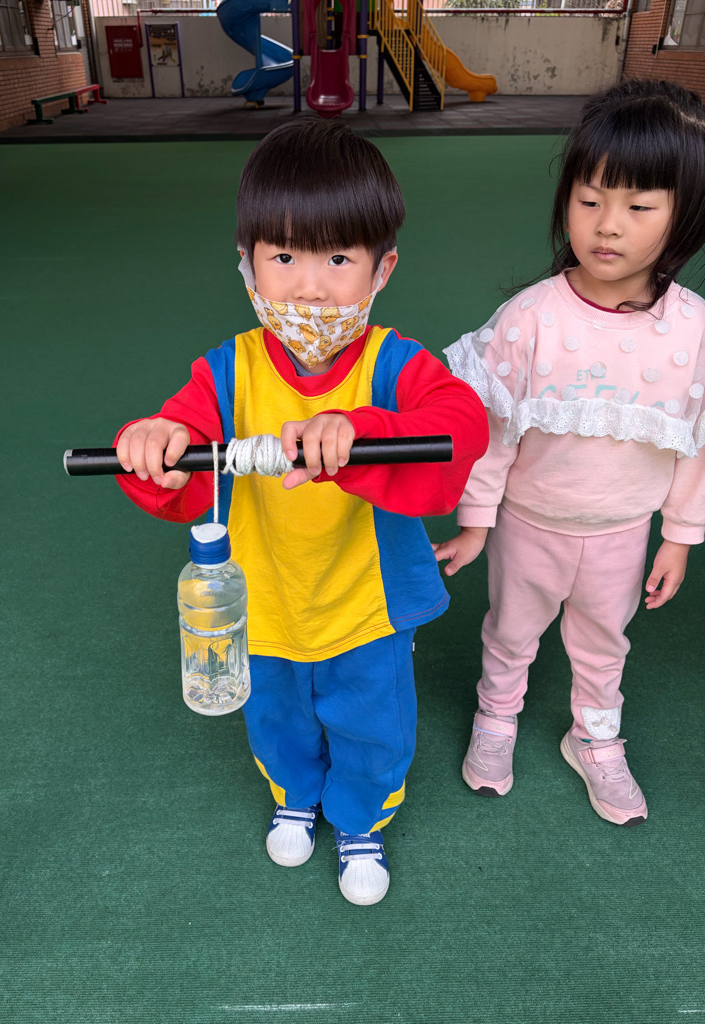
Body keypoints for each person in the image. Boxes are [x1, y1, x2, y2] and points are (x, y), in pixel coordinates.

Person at [114, 117, 489, 904]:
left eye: (339, 259)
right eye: (284, 257)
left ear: (383, 268)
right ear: (247, 263)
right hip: (264, 603)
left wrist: (364, 433)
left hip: (366, 607)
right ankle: (295, 794)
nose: (310, 287)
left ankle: (361, 821)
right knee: (276, 718)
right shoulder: (228, 371)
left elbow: (460, 427)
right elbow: (179, 457)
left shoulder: (397, 364)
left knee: (372, 723)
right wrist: (155, 443)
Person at [434, 79, 705, 827]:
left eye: (639, 206)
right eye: (589, 199)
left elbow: (696, 440)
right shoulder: (530, 318)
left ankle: (595, 737)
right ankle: (496, 718)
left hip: (624, 531)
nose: (607, 225)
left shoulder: (693, 332)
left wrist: (680, 537)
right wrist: (477, 522)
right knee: (510, 631)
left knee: (603, 642)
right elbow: (493, 432)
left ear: (686, 213)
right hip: (530, 524)